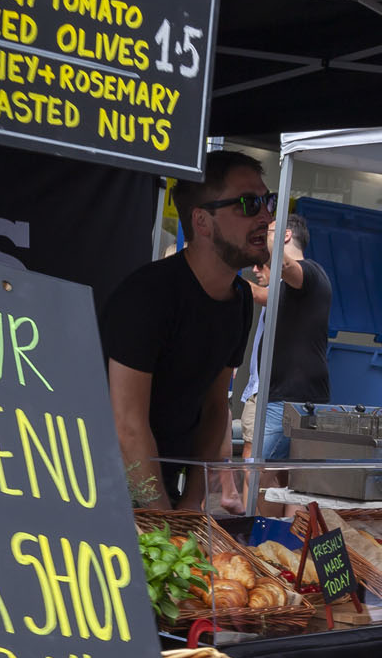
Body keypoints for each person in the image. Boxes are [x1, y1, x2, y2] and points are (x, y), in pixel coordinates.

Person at [100, 149, 270, 507]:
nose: (266, 216)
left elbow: (214, 408)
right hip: (100, 491)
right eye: (248, 203)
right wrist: (166, 522)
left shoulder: (239, 299)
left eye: (266, 201)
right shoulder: (149, 295)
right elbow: (126, 425)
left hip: (165, 486)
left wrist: (192, 507)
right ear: (202, 221)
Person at [247, 213, 332, 461]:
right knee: (288, 480)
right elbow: (259, 294)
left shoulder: (309, 273)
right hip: (284, 397)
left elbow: (286, 266)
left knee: (258, 473)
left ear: (285, 235)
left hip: (290, 399)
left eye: (268, 232)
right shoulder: (285, 286)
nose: (263, 237)